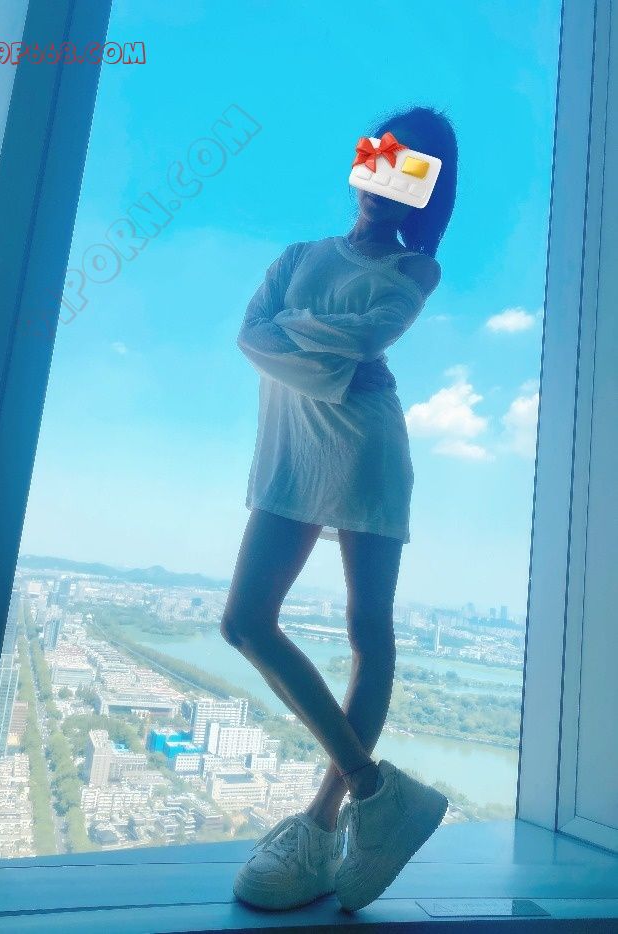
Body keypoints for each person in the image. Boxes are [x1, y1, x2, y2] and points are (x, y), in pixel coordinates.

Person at [223, 105, 458, 912]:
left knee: (368, 631)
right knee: (245, 622)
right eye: (379, 155)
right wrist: (321, 347)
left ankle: (323, 823)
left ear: (424, 192)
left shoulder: (416, 271)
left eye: (408, 169)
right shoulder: (298, 255)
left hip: (365, 445)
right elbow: (250, 336)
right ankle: (377, 791)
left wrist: (296, 335)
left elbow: (363, 341)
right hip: (294, 448)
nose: (385, 177)